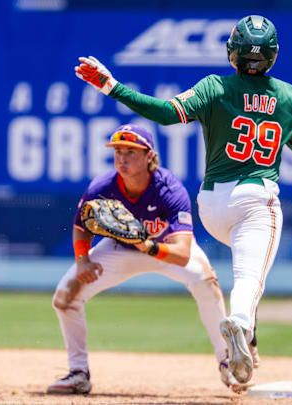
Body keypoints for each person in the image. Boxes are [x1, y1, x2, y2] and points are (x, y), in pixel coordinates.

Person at [74, 15, 292, 387]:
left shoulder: (216, 87)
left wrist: (112, 87)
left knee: (245, 264)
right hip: (255, 200)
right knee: (249, 277)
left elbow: (167, 114)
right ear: (273, 55)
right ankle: (242, 329)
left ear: (232, 51)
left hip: (212, 205)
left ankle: (245, 329)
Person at [46, 124, 246, 394]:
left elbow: (183, 253)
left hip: (164, 248)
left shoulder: (169, 189)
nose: (122, 158)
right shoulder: (103, 186)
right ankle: (78, 373)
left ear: (149, 156)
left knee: (205, 281)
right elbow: (82, 225)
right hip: (120, 250)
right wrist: (83, 260)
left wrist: (148, 246)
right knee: (64, 297)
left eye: (131, 151)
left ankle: (227, 363)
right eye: (118, 151)